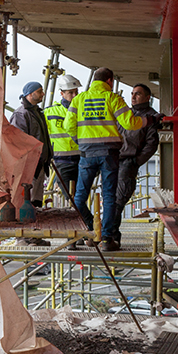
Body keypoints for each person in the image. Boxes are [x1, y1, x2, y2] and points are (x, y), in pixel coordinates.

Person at [65, 67, 144, 252]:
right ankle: (106, 238)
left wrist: (80, 141)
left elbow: (69, 125)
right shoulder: (112, 98)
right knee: (109, 196)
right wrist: (148, 121)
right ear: (110, 81)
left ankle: (89, 229)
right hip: (109, 154)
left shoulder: (78, 99)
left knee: (79, 197)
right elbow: (130, 123)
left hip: (86, 155)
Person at [110, 83, 160, 246]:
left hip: (128, 162)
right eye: (132, 93)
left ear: (147, 98)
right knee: (110, 198)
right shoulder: (127, 114)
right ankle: (108, 234)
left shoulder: (150, 118)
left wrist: (135, 162)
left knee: (118, 199)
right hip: (115, 160)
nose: (133, 96)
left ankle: (111, 236)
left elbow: (151, 144)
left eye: (137, 94)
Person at [9, 81, 53, 245]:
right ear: (30, 93)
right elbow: (19, 141)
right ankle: (24, 236)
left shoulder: (36, 112)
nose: (42, 94)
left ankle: (34, 235)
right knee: (26, 202)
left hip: (38, 164)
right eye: (39, 91)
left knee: (35, 202)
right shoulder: (22, 114)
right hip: (29, 167)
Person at [43, 74, 82, 199]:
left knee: (80, 196)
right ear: (62, 93)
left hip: (81, 159)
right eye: (71, 92)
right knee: (68, 196)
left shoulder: (83, 111)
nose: (75, 96)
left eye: (76, 92)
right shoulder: (50, 112)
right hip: (62, 161)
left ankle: (82, 218)